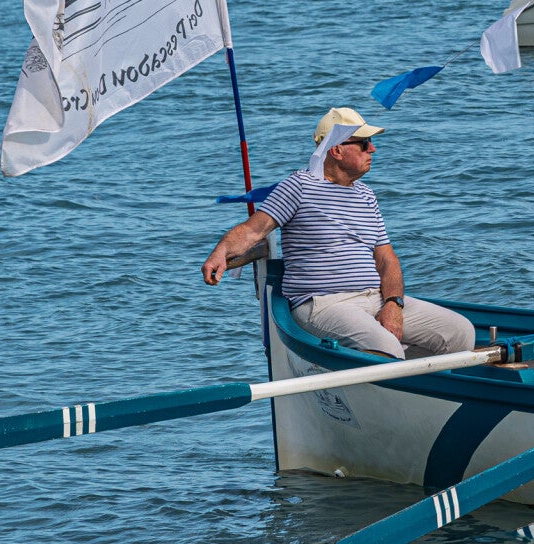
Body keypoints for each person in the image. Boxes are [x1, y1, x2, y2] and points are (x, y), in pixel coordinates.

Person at [200, 108, 475, 359]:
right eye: (364, 143)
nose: (373, 149)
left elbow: (386, 259)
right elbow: (253, 230)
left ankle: (400, 375)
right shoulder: (299, 186)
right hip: (323, 304)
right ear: (337, 150)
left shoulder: (367, 196)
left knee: (460, 332)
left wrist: (393, 303)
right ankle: (390, 368)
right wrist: (220, 252)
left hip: (375, 297)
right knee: (386, 346)